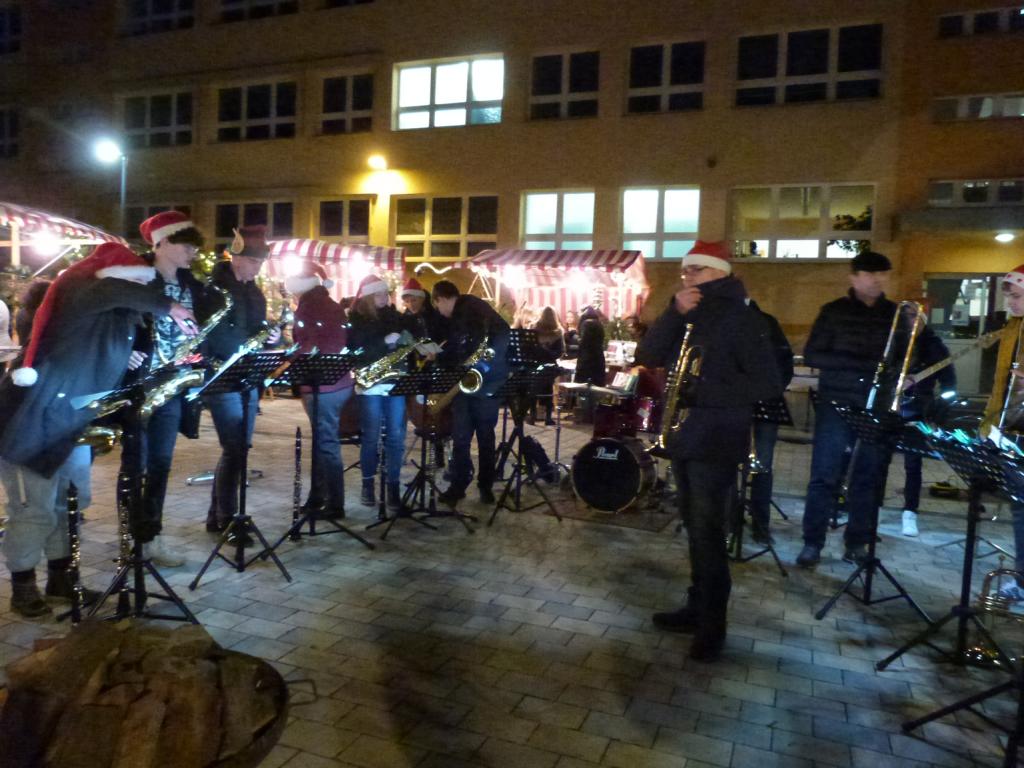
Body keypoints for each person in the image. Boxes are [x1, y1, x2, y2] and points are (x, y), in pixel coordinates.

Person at [0, 243, 195, 617]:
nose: (138, 292)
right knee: (34, 509)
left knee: (71, 503)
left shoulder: (117, 318)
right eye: (136, 283)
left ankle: (60, 579)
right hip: (30, 421)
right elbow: (110, 290)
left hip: (71, 421)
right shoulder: (81, 290)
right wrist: (170, 305)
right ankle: (23, 586)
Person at [636, 240, 782, 662]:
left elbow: (769, 382)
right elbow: (648, 354)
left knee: (709, 532)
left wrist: (704, 392)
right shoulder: (688, 311)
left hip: (717, 436)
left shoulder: (743, 317)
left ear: (721, 271)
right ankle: (696, 607)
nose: (688, 276)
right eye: (685, 270)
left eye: (697, 269)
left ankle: (713, 627)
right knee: (693, 525)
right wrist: (672, 311)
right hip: (685, 434)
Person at [796, 250, 947, 567]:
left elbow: (912, 356)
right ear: (854, 277)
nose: (877, 280)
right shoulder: (833, 311)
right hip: (837, 403)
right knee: (824, 474)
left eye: (882, 274)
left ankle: (857, 542)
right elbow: (813, 355)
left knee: (868, 477)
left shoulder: (894, 314)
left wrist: (918, 337)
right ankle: (812, 542)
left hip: (877, 404)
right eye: (869, 274)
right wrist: (863, 365)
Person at [117, 211, 208, 568]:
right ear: (164, 242)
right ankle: (130, 538)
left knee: (160, 464)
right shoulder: (136, 277)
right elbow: (114, 319)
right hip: (140, 385)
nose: (193, 254)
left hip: (172, 384)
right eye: (187, 246)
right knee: (134, 464)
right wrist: (125, 350)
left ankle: (151, 536)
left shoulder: (191, 284)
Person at [202, 225, 281, 534]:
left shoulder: (255, 292)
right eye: (253, 261)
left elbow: (258, 331)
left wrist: (271, 337)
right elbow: (211, 336)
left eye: (260, 262)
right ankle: (228, 518)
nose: (257, 267)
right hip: (222, 375)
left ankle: (217, 515)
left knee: (239, 448)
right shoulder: (214, 290)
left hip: (247, 376)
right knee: (234, 447)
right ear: (235, 257)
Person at [432, 280, 510, 507]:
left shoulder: (473, 308)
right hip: (468, 383)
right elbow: (460, 348)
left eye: (437, 305)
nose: (439, 311)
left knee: (480, 436)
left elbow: (502, 334)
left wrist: (483, 366)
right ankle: (463, 485)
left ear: (442, 299)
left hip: (485, 381)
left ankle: (482, 485)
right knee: (464, 437)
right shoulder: (460, 315)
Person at [286, 261, 352, 519]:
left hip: (320, 385)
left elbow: (307, 346)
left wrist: (289, 359)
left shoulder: (307, 308)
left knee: (326, 444)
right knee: (324, 441)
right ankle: (317, 497)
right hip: (340, 382)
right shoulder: (332, 305)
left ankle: (334, 504)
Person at [348, 273, 416, 510]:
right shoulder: (356, 318)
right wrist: (384, 342)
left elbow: (407, 338)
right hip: (370, 384)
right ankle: (368, 484)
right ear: (368, 296)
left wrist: (408, 338)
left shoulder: (394, 316)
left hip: (394, 380)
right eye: (378, 294)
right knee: (371, 436)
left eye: (386, 293)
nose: (384, 298)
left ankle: (393, 487)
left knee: (396, 436)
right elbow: (356, 349)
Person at [981, 265, 1024, 589]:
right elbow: (1001, 384)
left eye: (1017, 296)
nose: (1010, 302)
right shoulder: (1013, 328)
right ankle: (1022, 581)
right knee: (1020, 507)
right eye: (1008, 295)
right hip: (1013, 427)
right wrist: (990, 423)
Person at [898, 324, 955, 537]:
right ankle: (873, 507)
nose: (910, 320)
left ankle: (910, 512)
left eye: (915, 315)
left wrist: (936, 414)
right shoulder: (893, 339)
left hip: (918, 411)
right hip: (889, 407)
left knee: (913, 464)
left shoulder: (935, 347)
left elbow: (950, 385)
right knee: (878, 459)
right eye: (906, 315)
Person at [746, 299, 794, 545]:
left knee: (762, 465)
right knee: (752, 464)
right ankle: (751, 524)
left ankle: (759, 523)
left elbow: (785, 362)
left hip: (765, 401)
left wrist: (774, 388)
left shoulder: (767, 323)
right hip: (741, 403)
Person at [531, 306, 565, 425]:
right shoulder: (558, 332)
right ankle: (548, 417)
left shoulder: (533, 329)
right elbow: (560, 351)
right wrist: (548, 353)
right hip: (549, 365)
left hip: (535, 364)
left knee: (533, 390)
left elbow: (529, 348)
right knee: (548, 391)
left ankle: (533, 415)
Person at [400, 277, 447, 342]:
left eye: (414, 300)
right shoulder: (403, 320)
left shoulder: (435, 316)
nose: (411, 305)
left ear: (422, 299)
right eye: (407, 301)